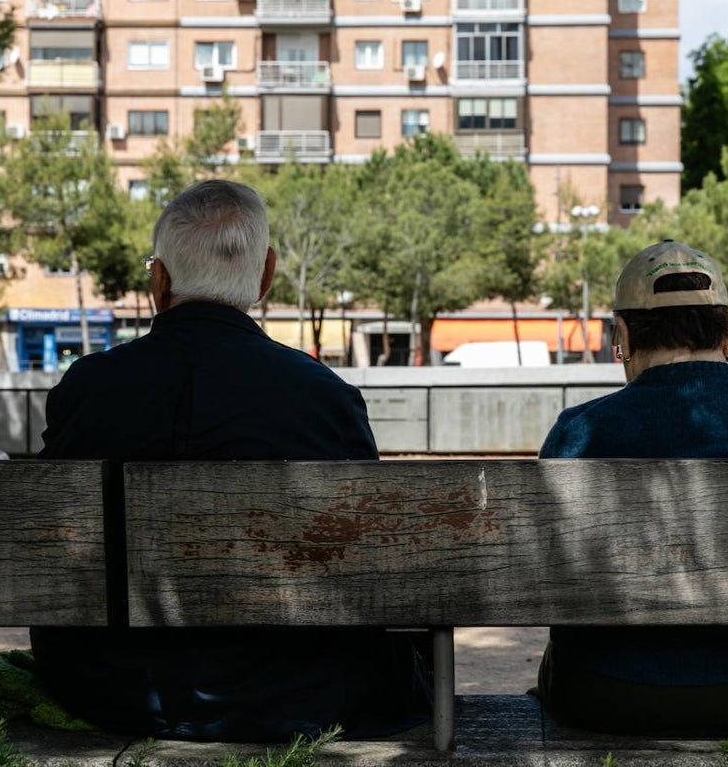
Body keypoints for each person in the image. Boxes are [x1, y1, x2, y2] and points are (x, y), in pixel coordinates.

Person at [32, 179, 431, 742]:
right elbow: (361, 556)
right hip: (298, 692)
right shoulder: (324, 395)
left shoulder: (85, 389)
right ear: (266, 275)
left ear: (159, 281)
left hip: (108, 689)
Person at [534, 240, 728, 736]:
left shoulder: (578, 430)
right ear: (727, 334)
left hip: (610, 690)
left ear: (624, 336)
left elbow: (547, 567)